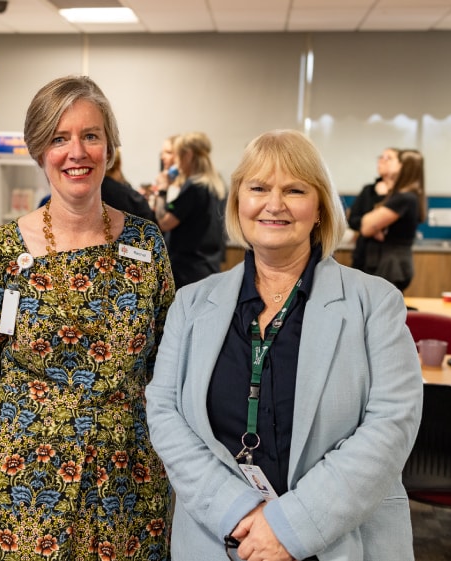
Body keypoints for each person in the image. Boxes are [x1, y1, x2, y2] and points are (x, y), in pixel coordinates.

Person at [145, 129, 423, 561]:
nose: (274, 204)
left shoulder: (375, 302)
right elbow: (164, 412)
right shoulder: (192, 303)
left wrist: (291, 526)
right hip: (222, 538)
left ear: (319, 209)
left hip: (342, 540)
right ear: (239, 201)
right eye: (258, 188)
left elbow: (392, 423)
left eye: (294, 189)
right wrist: (239, 511)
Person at [0, 75, 176, 561]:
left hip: (125, 486)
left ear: (109, 147)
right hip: (18, 486)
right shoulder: (2, 252)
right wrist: (43, 422)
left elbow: (164, 360)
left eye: (91, 135)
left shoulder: (147, 245)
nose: (77, 152)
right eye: (59, 138)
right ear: (38, 149)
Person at [157, 131, 227, 289]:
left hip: (188, 271)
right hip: (208, 267)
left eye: (177, 155)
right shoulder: (216, 185)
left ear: (188, 155)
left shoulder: (194, 188)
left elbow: (164, 222)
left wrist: (162, 190)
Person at [359, 149, 427, 291]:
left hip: (392, 265)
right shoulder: (409, 195)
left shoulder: (404, 197)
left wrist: (373, 224)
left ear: (404, 166)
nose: (386, 162)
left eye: (393, 160)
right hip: (394, 263)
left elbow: (366, 227)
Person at [346, 147, 401, 271]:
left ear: (400, 165)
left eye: (388, 158)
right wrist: (372, 228)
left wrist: (381, 197)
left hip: (389, 261)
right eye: (381, 157)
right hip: (363, 257)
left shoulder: (402, 195)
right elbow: (352, 219)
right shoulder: (368, 190)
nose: (382, 161)